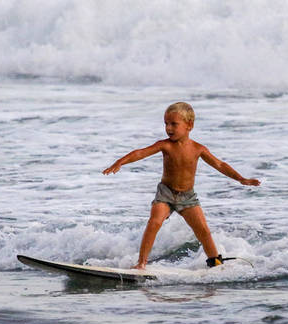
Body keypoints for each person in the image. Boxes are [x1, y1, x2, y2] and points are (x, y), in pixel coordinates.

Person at [102, 102, 260, 269]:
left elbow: (220, 165)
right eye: (166, 123)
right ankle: (141, 263)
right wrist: (120, 162)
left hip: (187, 196)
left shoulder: (198, 149)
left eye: (173, 124)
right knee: (154, 222)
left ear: (189, 125)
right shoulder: (165, 145)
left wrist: (241, 179)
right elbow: (140, 152)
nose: (168, 128)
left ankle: (215, 263)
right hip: (166, 193)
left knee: (203, 231)